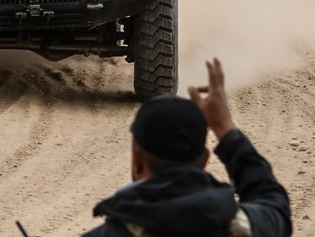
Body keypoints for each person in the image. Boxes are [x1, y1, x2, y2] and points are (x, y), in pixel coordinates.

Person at [83, 58, 291, 237]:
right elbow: (274, 202)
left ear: (137, 162)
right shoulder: (244, 227)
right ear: (204, 161)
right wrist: (226, 131)